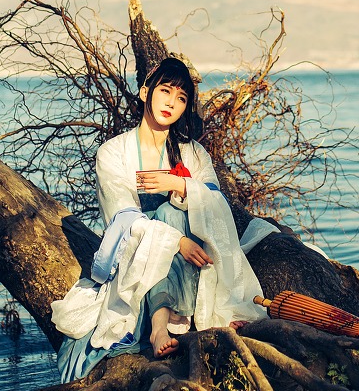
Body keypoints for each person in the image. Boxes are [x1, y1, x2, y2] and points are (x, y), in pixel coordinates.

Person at [51, 56, 270, 381]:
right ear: (144, 92)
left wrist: (180, 184)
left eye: (182, 98)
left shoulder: (193, 153)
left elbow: (216, 205)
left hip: (194, 260)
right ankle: (158, 327)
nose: (172, 102)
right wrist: (174, 240)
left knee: (172, 210)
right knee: (166, 216)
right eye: (166, 90)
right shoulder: (113, 153)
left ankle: (162, 326)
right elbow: (122, 218)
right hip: (138, 258)